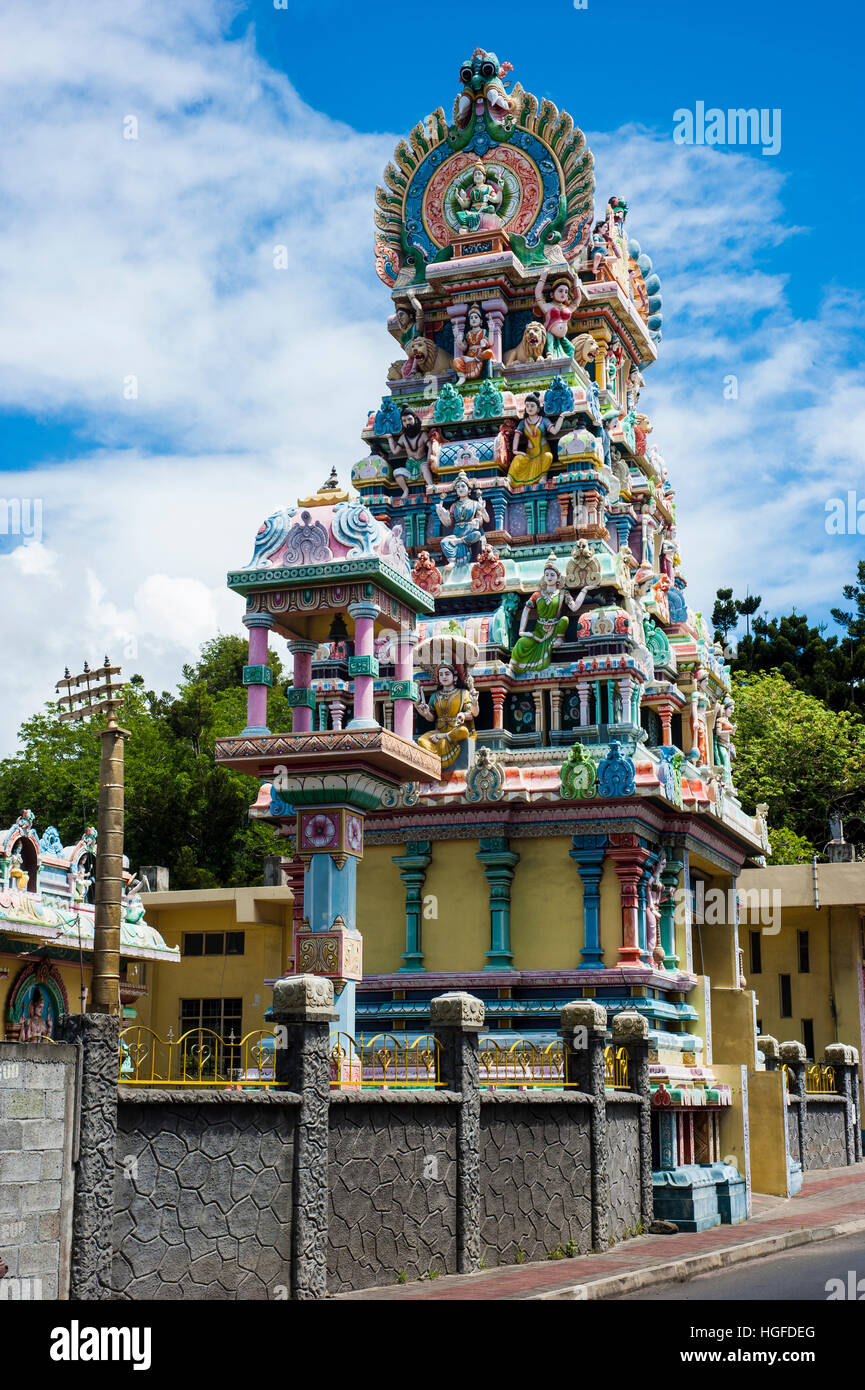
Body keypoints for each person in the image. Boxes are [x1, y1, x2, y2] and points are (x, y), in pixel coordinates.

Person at [508, 557, 590, 675]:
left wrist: (584, 590)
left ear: (558, 578)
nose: (549, 577)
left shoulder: (563, 593)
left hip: (555, 630)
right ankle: (513, 667)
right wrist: (522, 630)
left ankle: (560, 638)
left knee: (564, 620)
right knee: (522, 642)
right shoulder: (537, 595)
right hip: (539, 631)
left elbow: (575, 607)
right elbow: (526, 609)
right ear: (544, 577)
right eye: (547, 575)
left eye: (552, 575)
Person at [415, 662, 477, 771]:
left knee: (463, 731)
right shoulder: (435, 696)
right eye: (441, 674)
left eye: (447, 674)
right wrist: (424, 712)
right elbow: (431, 717)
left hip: (455, 730)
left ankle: (445, 736)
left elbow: (471, 715)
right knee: (421, 740)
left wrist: (463, 714)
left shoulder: (463, 693)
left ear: (455, 677)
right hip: (439, 731)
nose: (444, 677)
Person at [507, 393, 567, 487]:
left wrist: (562, 416)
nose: (530, 408)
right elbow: (517, 435)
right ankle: (509, 479)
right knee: (518, 458)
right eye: (527, 406)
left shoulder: (544, 420)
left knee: (548, 456)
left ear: (538, 408)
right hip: (529, 455)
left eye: (532, 406)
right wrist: (515, 451)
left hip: (543, 453)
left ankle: (543, 475)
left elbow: (554, 431)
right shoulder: (523, 423)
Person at [436, 471, 489, 566]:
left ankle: (459, 542)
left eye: (463, 486)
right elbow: (448, 523)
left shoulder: (475, 504)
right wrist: (441, 514)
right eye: (458, 487)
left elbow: (486, 520)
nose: (460, 489)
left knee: (477, 534)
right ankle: (452, 561)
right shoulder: (454, 506)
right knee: (444, 542)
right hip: (457, 534)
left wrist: (482, 509)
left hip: (470, 533)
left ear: (469, 490)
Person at [534, 265, 580, 359]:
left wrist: (576, 284)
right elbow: (538, 294)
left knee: (571, 348)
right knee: (549, 343)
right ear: (551, 294)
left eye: (566, 292)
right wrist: (543, 277)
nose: (563, 294)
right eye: (560, 291)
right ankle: (549, 356)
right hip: (549, 333)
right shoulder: (548, 306)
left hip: (562, 338)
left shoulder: (567, 308)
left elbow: (577, 300)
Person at [387, 409, 435, 495]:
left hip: (422, 465)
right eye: (404, 421)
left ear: (415, 419)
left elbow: (430, 446)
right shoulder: (403, 438)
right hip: (410, 468)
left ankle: (431, 486)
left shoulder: (423, 434)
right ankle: (405, 490)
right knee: (396, 472)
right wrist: (389, 438)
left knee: (424, 467)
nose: (407, 423)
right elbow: (394, 451)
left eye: (409, 419)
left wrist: (428, 461)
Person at [454, 159, 502, 231]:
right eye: (475, 175)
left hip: (484, 209)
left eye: (479, 174)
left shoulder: (488, 187)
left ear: (484, 177)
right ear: (473, 178)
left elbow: (496, 199)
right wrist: (458, 197)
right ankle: (465, 228)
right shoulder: (471, 190)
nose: (477, 176)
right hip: (473, 211)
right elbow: (465, 205)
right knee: (459, 214)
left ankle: (475, 223)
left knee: (491, 208)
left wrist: (499, 190)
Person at [453, 303, 495, 381]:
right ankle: (462, 376)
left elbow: (490, 343)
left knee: (489, 352)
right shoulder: (468, 334)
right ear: (469, 322)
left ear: (481, 321)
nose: (473, 319)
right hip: (469, 356)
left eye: (476, 317)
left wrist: (491, 330)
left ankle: (472, 360)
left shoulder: (484, 331)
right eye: (471, 318)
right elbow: (463, 347)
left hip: (479, 356)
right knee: (456, 361)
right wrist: (456, 336)